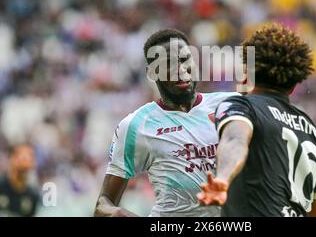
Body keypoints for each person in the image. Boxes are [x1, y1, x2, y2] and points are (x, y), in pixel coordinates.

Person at [94, 29, 238, 217]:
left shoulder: (232, 105)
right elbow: (102, 204)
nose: (181, 69)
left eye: (185, 59)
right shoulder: (136, 125)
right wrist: (118, 213)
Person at [197, 24, 316, 217]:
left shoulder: (242, 106)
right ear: (293, 86)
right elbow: (315, 211)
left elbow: (236, 140)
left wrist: (223, 179)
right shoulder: (315, 134)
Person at [0, 143, 39, 217]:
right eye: (23, 157)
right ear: (11, 158)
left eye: (31, 157)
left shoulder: (32, 196)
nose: (26, 161)